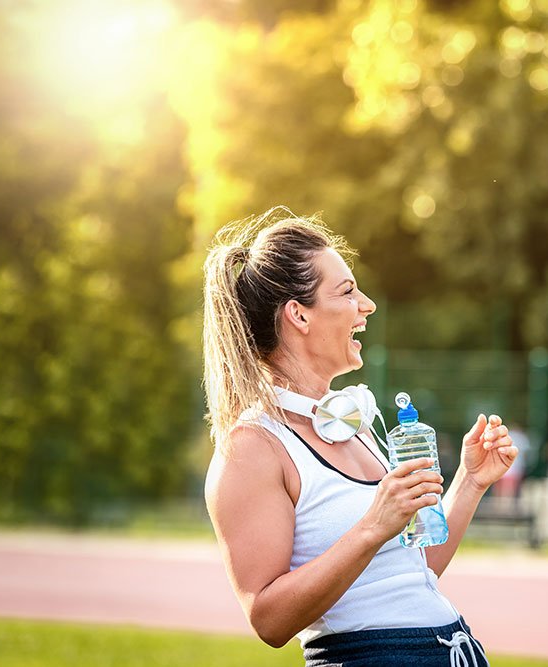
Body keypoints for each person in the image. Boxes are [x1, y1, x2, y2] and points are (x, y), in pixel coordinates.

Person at [202, 207, 517, 666]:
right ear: (299, 315)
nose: (366, 305)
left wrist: (470, 482)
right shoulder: (252, 448)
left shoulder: (351, 424)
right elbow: (268, 619)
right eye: (348, 292)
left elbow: (415, 569)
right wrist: (371, 525)